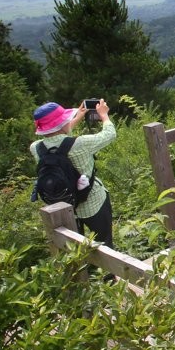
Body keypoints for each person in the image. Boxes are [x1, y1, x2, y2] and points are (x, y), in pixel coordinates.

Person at [31, 99, 117, 247]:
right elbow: (110, 134)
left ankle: (84, 269)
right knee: (104, 243)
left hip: (63, 205)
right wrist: (104, 115)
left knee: (74, 248)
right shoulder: (80, 143)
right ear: (61, 123)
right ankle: (108, 270)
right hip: (92, 202)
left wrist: (76, 118)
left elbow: (57, 138)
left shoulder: (36, 148)